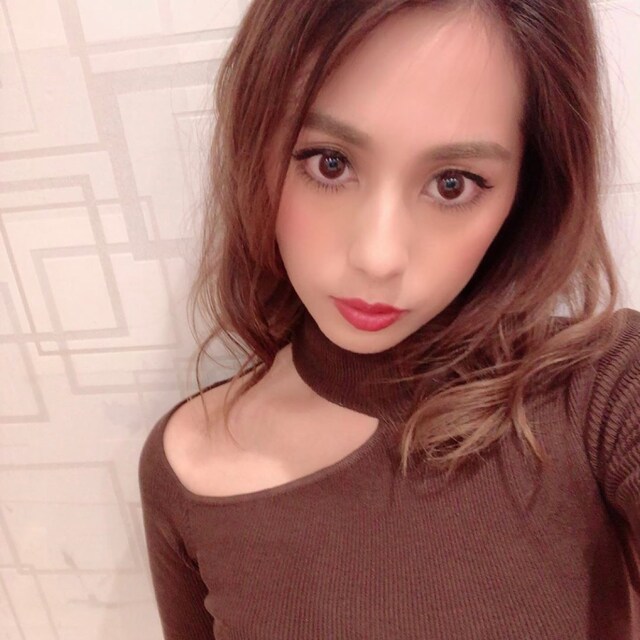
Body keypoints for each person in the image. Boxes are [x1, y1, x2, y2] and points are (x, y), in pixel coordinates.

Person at [138, 0, 640, 638]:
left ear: (527, 189)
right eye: (330, 162)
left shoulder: (600, 388)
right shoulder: (187, 468)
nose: (378, 258)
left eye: (453, 183)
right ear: (255, 147)